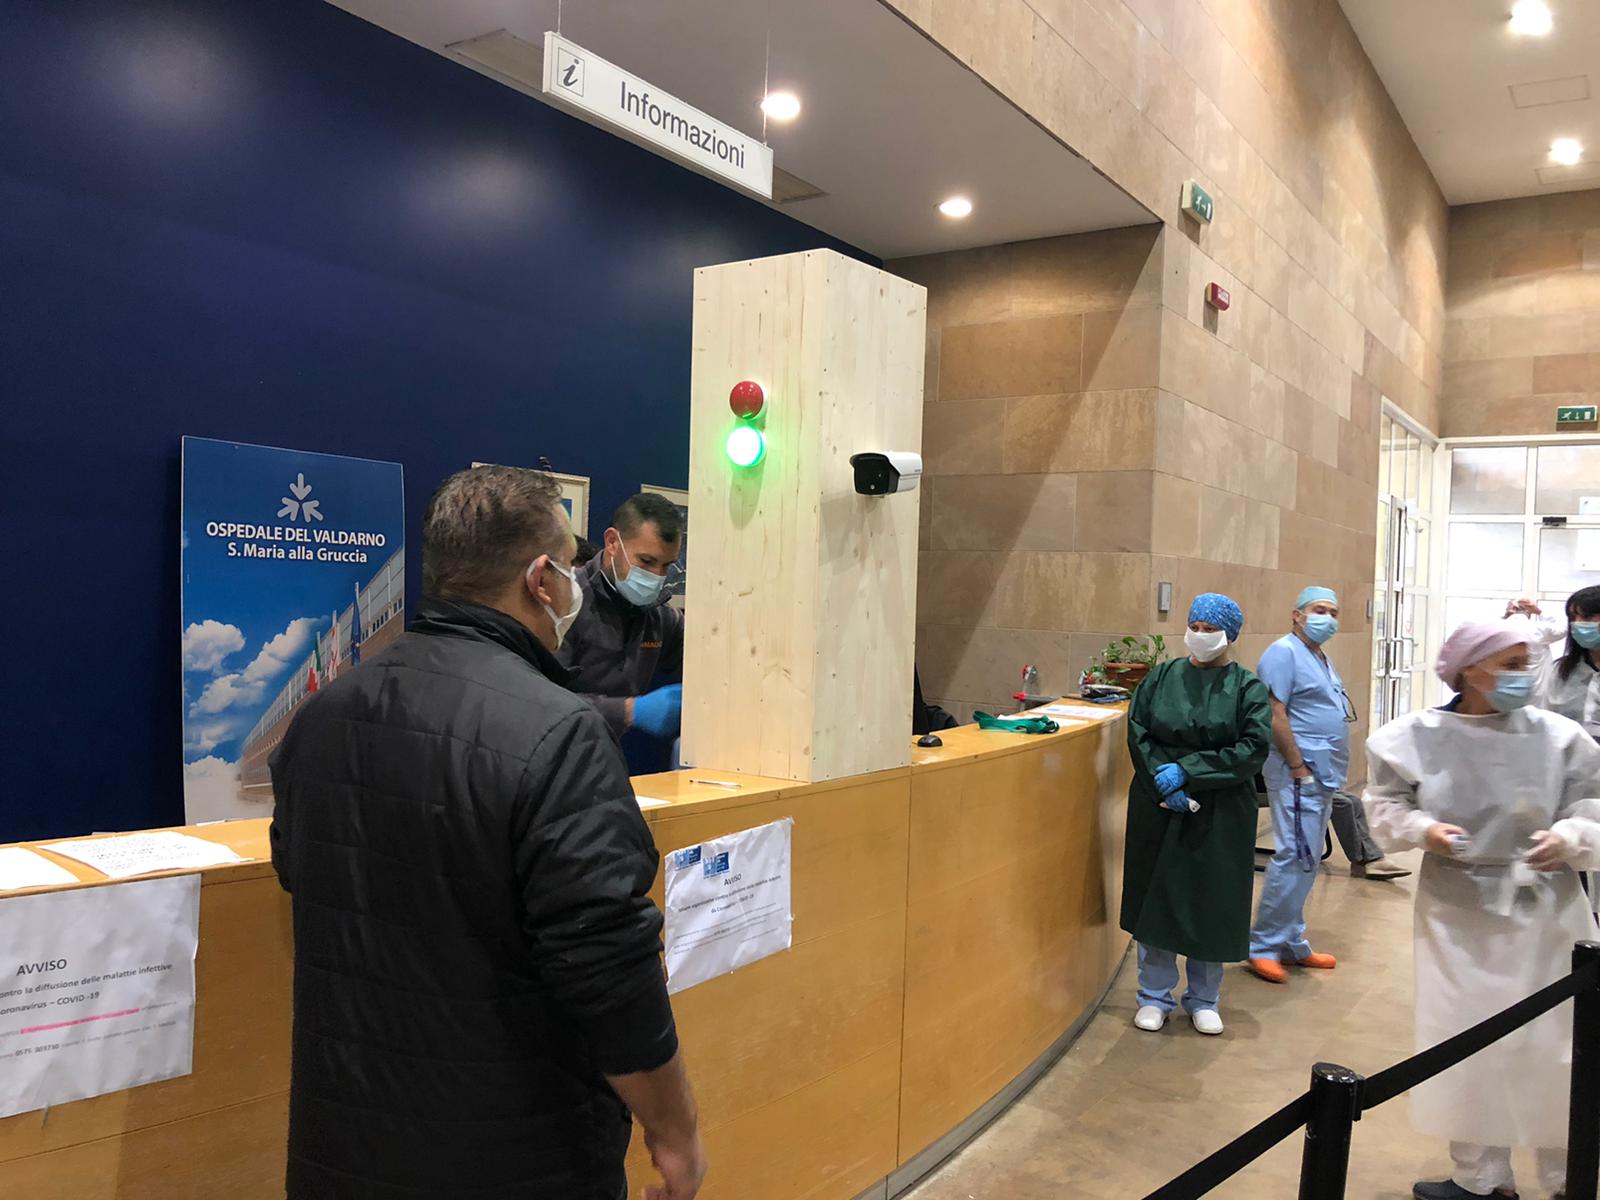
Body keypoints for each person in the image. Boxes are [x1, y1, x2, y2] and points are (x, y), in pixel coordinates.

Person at [270, 467, 705, 1200]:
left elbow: (304, 876)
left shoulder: (320, 718)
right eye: (566, 566)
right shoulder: (560, 735)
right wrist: (675, 1131)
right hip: (516, 1154)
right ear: (541, 580)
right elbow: (609, 969)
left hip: (340, 1147)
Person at [1365, 621, 1600, 1200]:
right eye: (1510, 664)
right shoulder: (1414, 736)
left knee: (1557, 1042)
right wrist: (1425, 830)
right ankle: (1481, 1178)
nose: (1524, 675)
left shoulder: (1560, 737)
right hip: (1457, 910)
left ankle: (1567, 1176)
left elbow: (1592, 805)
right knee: (1465, 1038)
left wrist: (1568, 837)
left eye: (1526, 663)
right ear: (1469, 668)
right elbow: (1385, 803)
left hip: (1547, 906)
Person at [1121, 593, 1273, 1036]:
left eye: (1210, 629)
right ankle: (1154, 996)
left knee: (1211, 900)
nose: (1200, 635)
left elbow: (1252, 748)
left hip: (1220, 809)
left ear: (1230, 635)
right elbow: (1139, 729)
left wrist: (1189, 771)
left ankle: (1204, 999)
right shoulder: (1162, 677)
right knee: (1157, 899)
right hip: (1158, 803)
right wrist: (1162, 780)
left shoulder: (1246, 688)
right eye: (1195, 626)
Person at [1249, 586, 1407, 984]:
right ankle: (1263, 946)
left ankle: (1291, 942)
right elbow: (1274, 713)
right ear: (1297, 615)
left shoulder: (1318, 656)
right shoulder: (1283, 653)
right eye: (1320, 610)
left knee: (1307, 859)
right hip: (1297, 772)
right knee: (1293, 855)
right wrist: (1297, 764)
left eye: (1334, 612)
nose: (1328, 618)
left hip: (1320, 772)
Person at [560, 493, 686, 763]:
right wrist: (627, 710)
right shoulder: (563, 604)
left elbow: (711, 670)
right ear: (612, 542)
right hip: (544, 759)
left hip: (604, 759)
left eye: (667, 566)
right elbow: (536, 701)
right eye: (646, 561)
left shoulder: (660, 618)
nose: (657, 576)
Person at [1536, 585, 1600, 740]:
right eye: (1573, 618)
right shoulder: (1561, 671)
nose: (1578, 623)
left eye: (1587, 617)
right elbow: (1546, 722)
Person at [1505, 594, 1568, 675]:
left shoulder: (1496, 630)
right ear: (1528, 612)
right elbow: (1563, 629)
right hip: (1538, 682)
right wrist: (1538, 611)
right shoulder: (1540, 629)